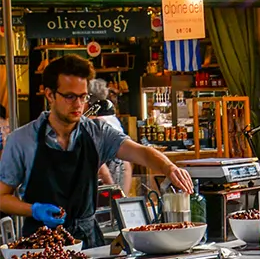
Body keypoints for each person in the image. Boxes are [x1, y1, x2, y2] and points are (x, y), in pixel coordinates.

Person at [0, 55, 193, 247]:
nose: (78, 104)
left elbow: (140, 152)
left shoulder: (97, 133)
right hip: (40, 244)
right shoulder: (22, 140)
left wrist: (169, 167)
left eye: (83, 97)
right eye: (70, 96)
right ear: (50, 94)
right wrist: (34, 210)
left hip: (89, 242)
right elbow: (2, 197)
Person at [89, 78, 130, 195]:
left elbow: (100, 165)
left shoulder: (96, 123)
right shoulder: (113, 120)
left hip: (108, 181)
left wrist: (111, 187)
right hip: (119, 175)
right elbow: (126, 164)